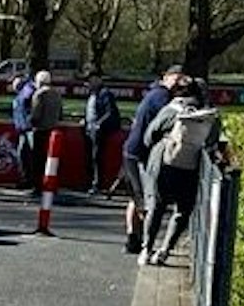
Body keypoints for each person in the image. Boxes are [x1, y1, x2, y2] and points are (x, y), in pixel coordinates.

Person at [140, 79, 221, 265]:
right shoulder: (210, 117)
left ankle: (146, 249)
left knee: (156, 207)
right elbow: (212, 144)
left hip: (163, 164)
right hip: (190, 168)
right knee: (182, 211)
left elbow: (149, 136)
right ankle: (165, 251)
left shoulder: (172, 109)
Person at [121, 65, 184, 254]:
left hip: (132, 151)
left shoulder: (154, 92)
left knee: (137, 198)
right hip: (140, 153)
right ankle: (139, 240)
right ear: (166, 77)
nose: (177, 85)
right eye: (175, 80)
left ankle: (134, 238)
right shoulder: (162, 97)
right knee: (145, 200)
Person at [82, 70, 121, 194]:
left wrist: (99, 124)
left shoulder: (105, 94)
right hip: (89, 128)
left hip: (98, 130)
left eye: (90, 80)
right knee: (90, 156)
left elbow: (110, 112)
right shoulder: (92, 94)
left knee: (96, 157)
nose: (88, 83)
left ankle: (97, 183)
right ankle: (89, 181)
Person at [29, 69, 64, 192]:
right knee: (50, 160)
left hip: (40, 129)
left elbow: (36, 114)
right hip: (53, 130)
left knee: (37, 159)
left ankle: (37, 186)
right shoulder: (57, 94)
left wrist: (31, 123)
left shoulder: (39, 94)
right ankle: (51, 184)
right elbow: (60, 113)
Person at [10, 72, 36, 189]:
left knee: (29, 155)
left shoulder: (28, 88)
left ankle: (31, 180)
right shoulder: (20, 93)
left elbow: (27, 102)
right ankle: (26, 179)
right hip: (23, 129)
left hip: (29, 129)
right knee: (23, 155)